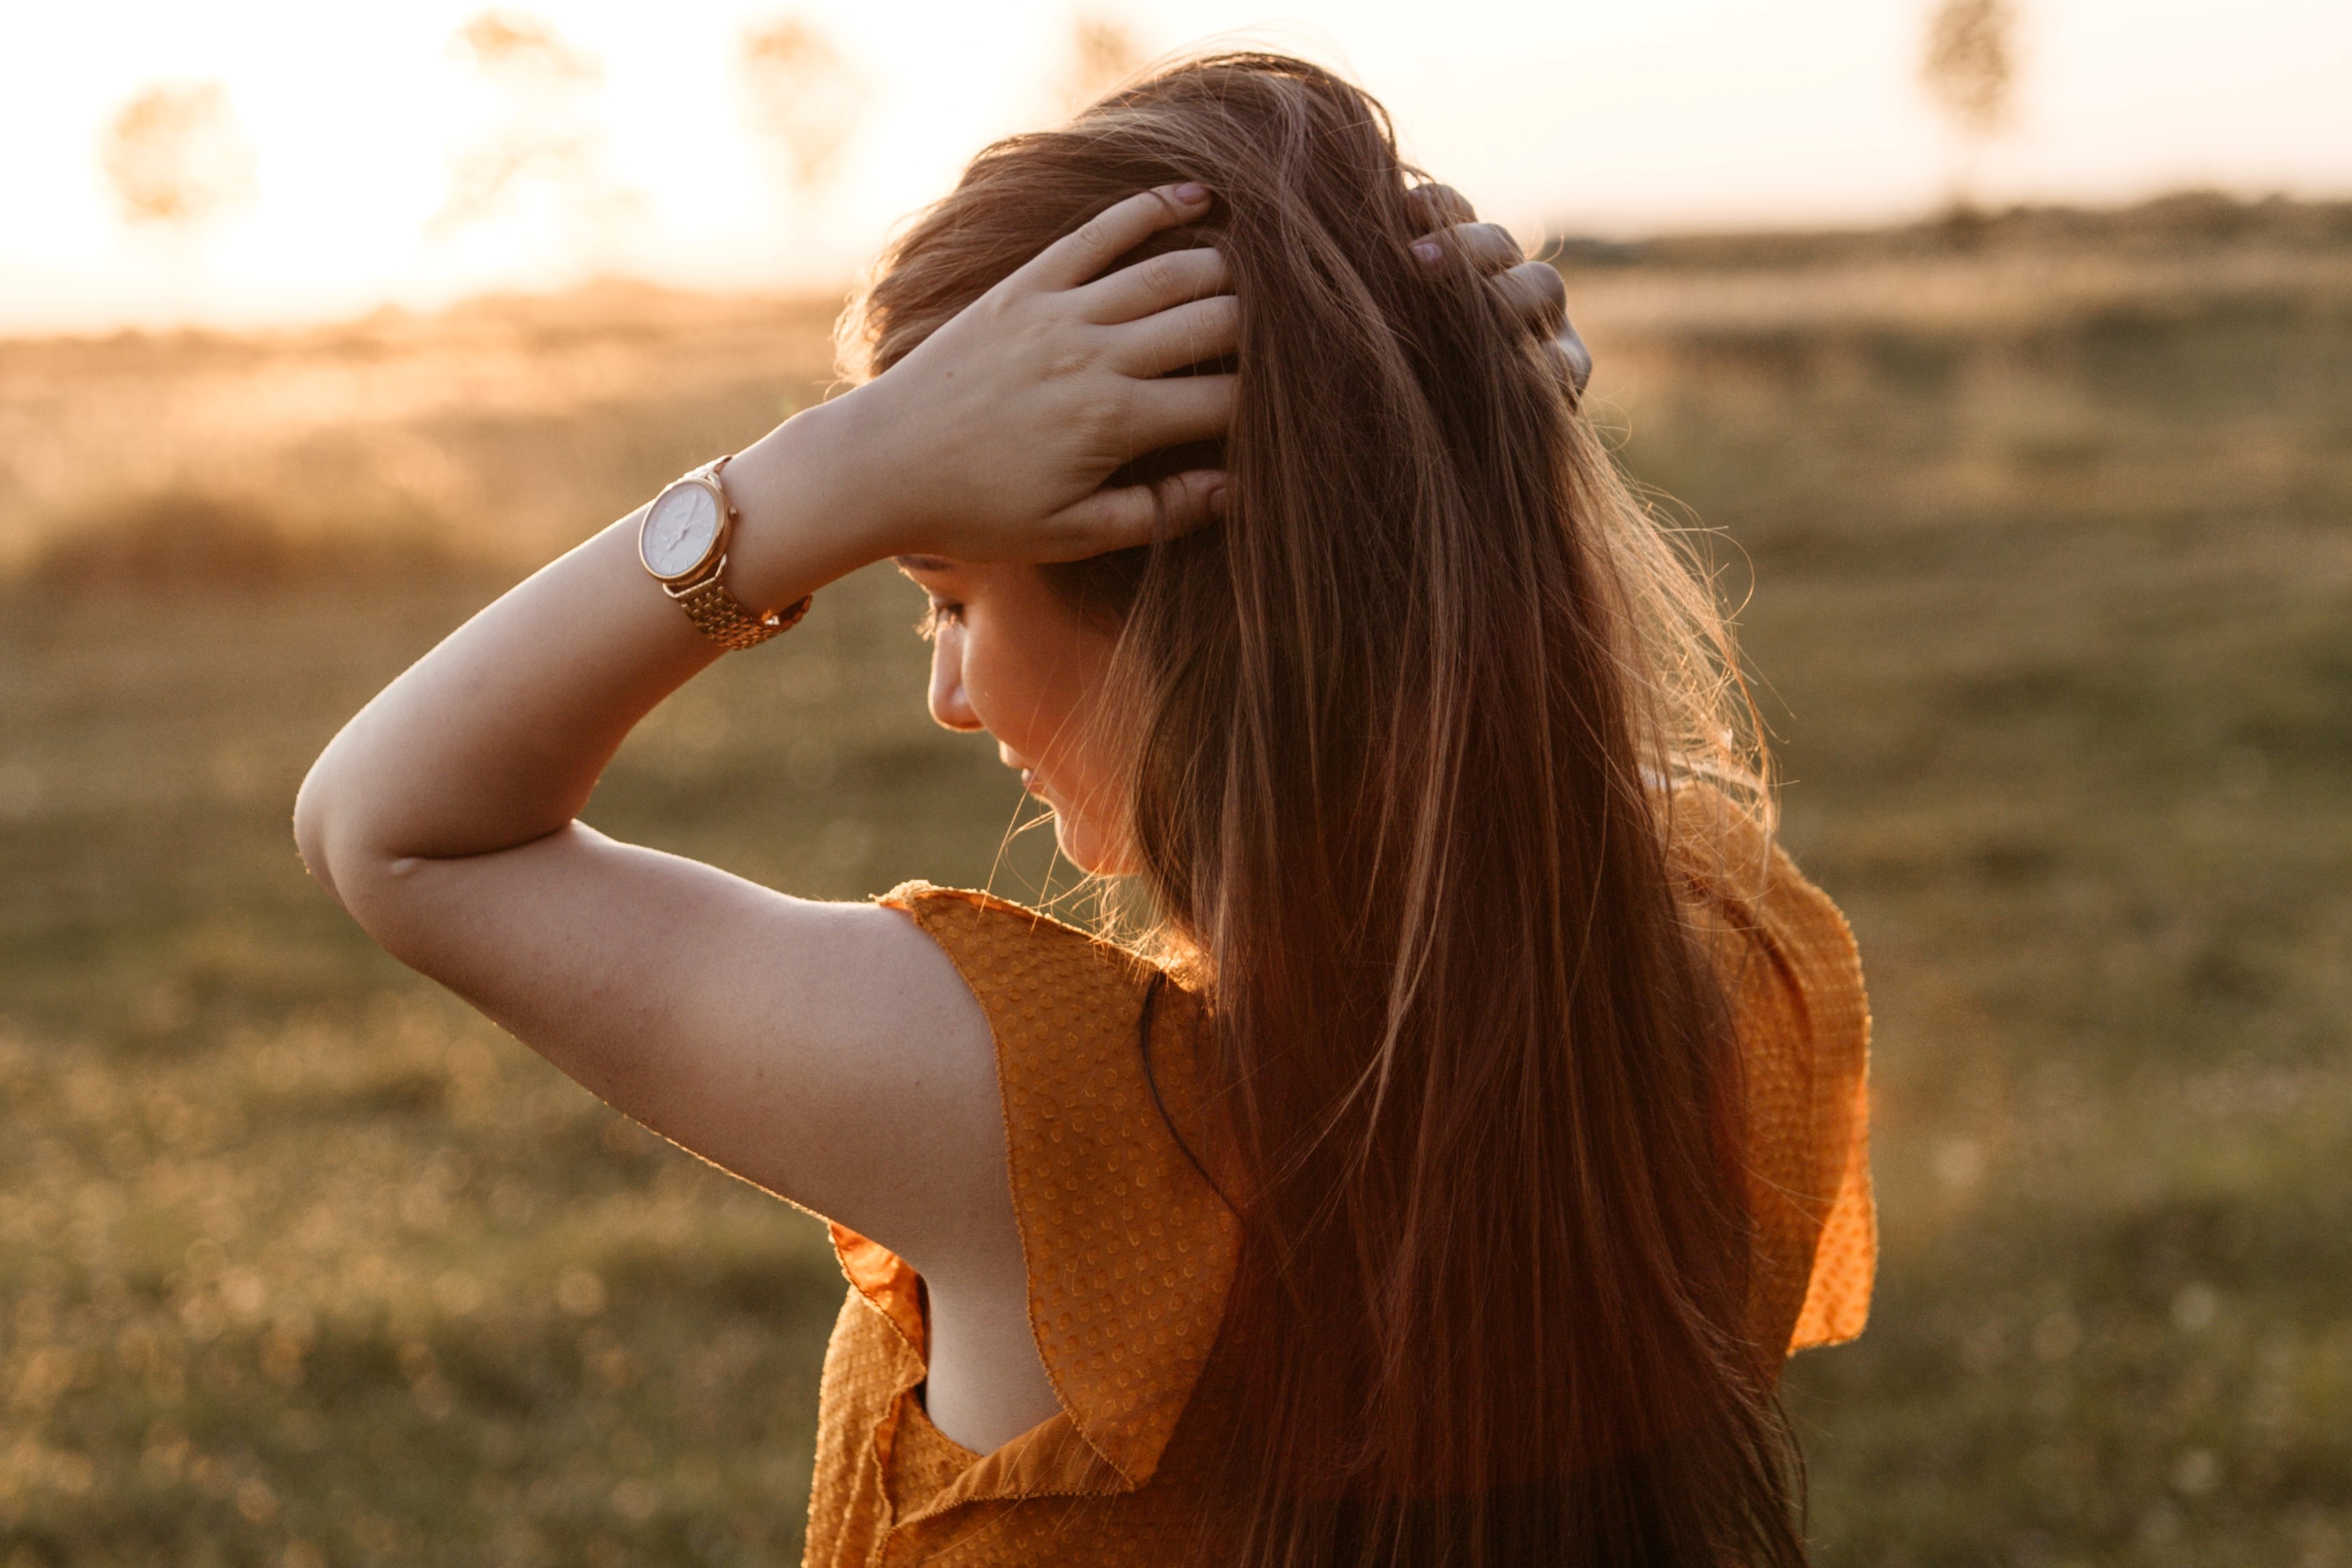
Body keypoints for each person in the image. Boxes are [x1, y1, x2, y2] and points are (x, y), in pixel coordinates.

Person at [296, 52, 1870, 1568]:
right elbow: (1509, 730)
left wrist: (834, 474)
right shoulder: (1736, 968)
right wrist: (1454, 447)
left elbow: (391, 825)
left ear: (1188, 621)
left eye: (948, 592)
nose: (950, 692)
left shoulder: (1058, 1131)